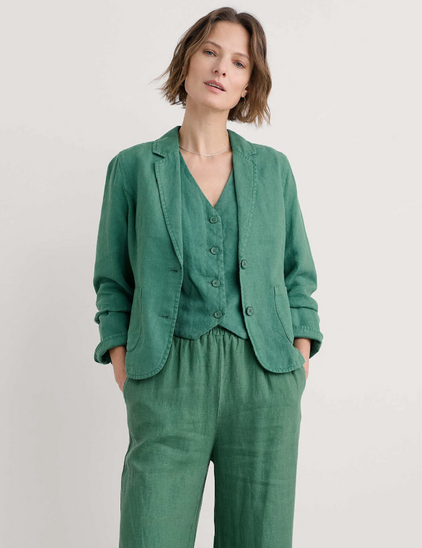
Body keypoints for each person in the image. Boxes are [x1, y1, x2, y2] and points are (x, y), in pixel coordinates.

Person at [92, 7, 324, 548]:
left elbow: (298, 273)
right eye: (211, 52)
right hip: (166, 376)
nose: (222, 68)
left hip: (264, 376)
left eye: (239, 62)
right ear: (187, 61)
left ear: (248, 84)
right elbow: (113, 281)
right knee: (151, 534)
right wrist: (125, 365)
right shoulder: (133, 167)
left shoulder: (273, 169)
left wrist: (299, 355)